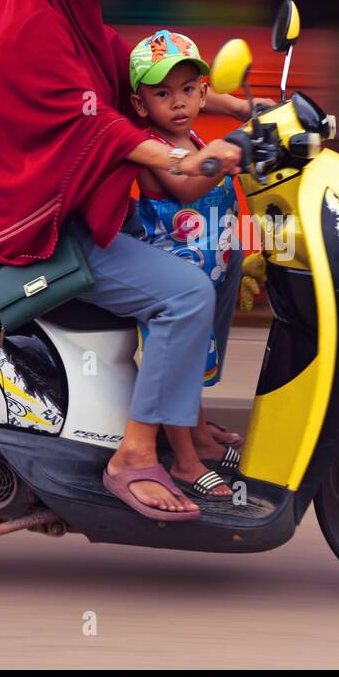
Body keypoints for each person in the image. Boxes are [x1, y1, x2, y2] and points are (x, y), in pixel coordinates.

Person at [0, 0, 252, 521]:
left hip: (84, 218)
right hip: (43, 233)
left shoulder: (79, 21)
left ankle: (190, 427)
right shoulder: (34, 34)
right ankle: (136, 454)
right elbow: (101, 127)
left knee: (221, 257)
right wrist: (181, 157)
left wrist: (242, 108)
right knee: (182, 293)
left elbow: (140, 83)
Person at [126, 29, 244, 500]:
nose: (178, 102)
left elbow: (206, 102)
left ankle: (196, 434)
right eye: (162, 93)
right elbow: (188, 189)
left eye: (189, 91)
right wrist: (228, 154)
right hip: (176, 274)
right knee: (179, 361)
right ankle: (185, 461)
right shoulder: (153, 147)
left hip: (207, 267)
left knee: (197, 358)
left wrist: (240, 110)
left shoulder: (190, 132)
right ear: (141, 104)